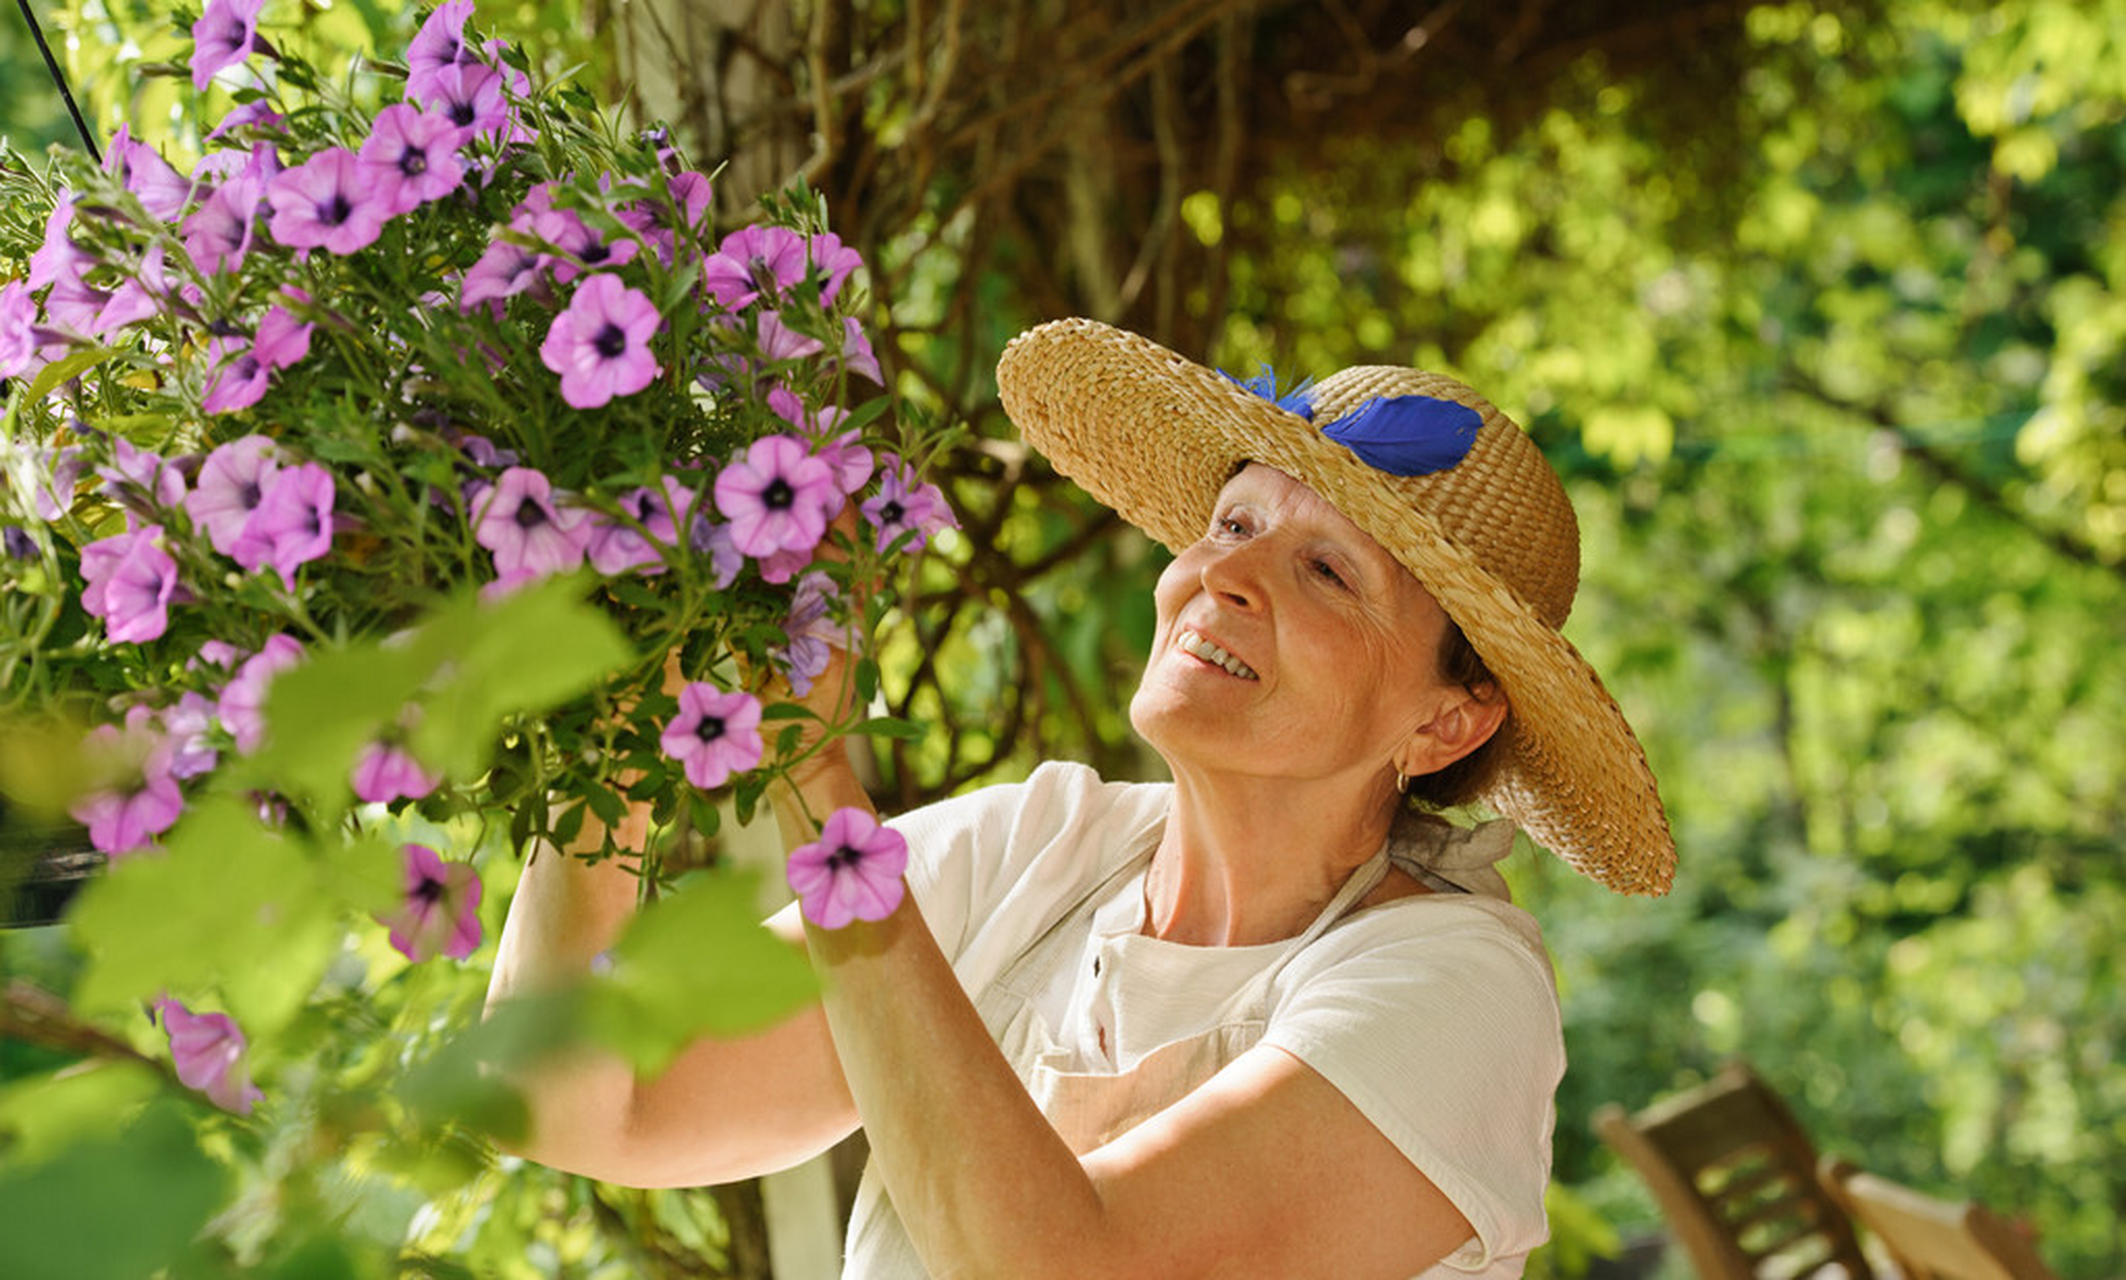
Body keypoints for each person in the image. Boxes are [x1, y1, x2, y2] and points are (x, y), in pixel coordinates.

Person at [486, 317, 1677, 1278]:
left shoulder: (1454, 986)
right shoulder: (1030, 848)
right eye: (1231, 522)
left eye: (1324, 570)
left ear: (1445, 719)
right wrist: (622, 712)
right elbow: (577, 1102)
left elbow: (1055, 1262)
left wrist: (815, 788)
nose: (1222, 574)